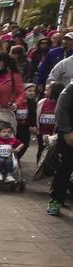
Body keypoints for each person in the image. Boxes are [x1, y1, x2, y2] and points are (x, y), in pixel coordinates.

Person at [47, 79, 73, 215]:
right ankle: (56, 201)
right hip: (69, 136)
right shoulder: (70, 89)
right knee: (64, 169)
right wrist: (67, 132)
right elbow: (61, 110)